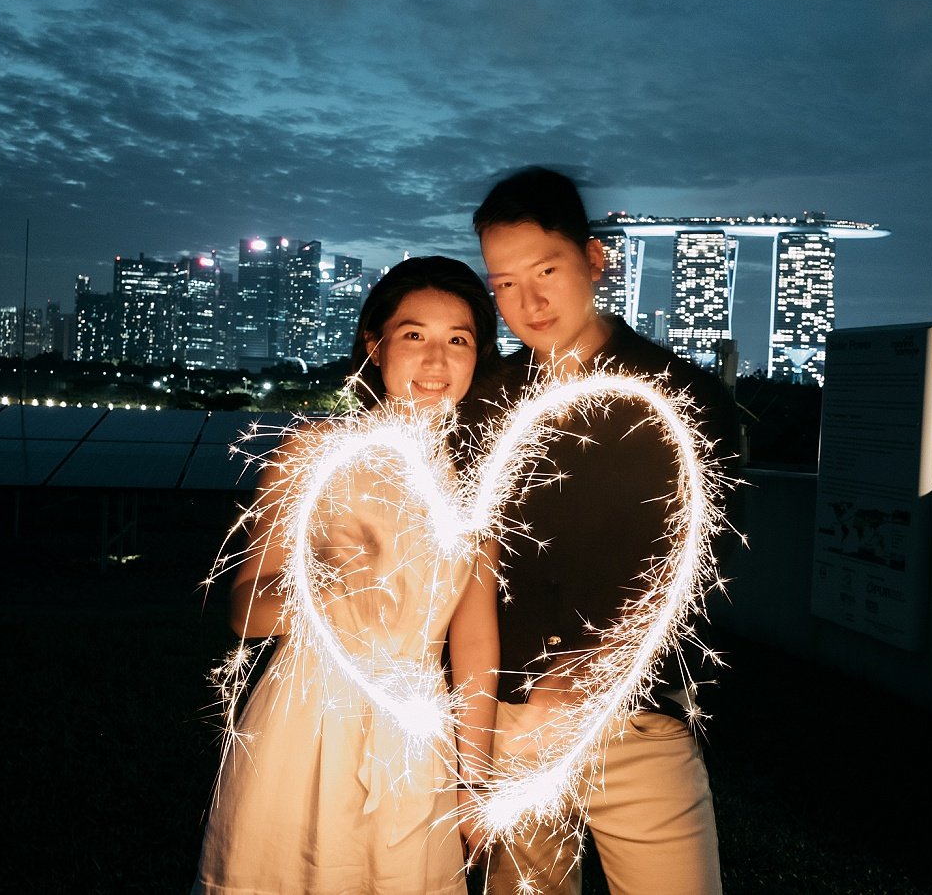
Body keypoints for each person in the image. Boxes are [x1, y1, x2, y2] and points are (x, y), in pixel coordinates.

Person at [193, 256, 503, 895]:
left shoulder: (480, 487)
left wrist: (473, 783)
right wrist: (331, 586)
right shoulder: (312, 453)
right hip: (306, 720)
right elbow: (245, 610)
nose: (436, 362)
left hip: (416, 737)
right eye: (414, 336)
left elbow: (473, 650)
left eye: (458, 341)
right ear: (375, 343)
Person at [472, 166, 744, 895]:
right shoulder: (487, 403)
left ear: (594, 259)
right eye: (503, 283)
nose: (527, 302)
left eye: (546, 270)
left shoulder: (681, 397)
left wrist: (586, 673)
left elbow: (698, 567)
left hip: (637, 725)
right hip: (515, 722)